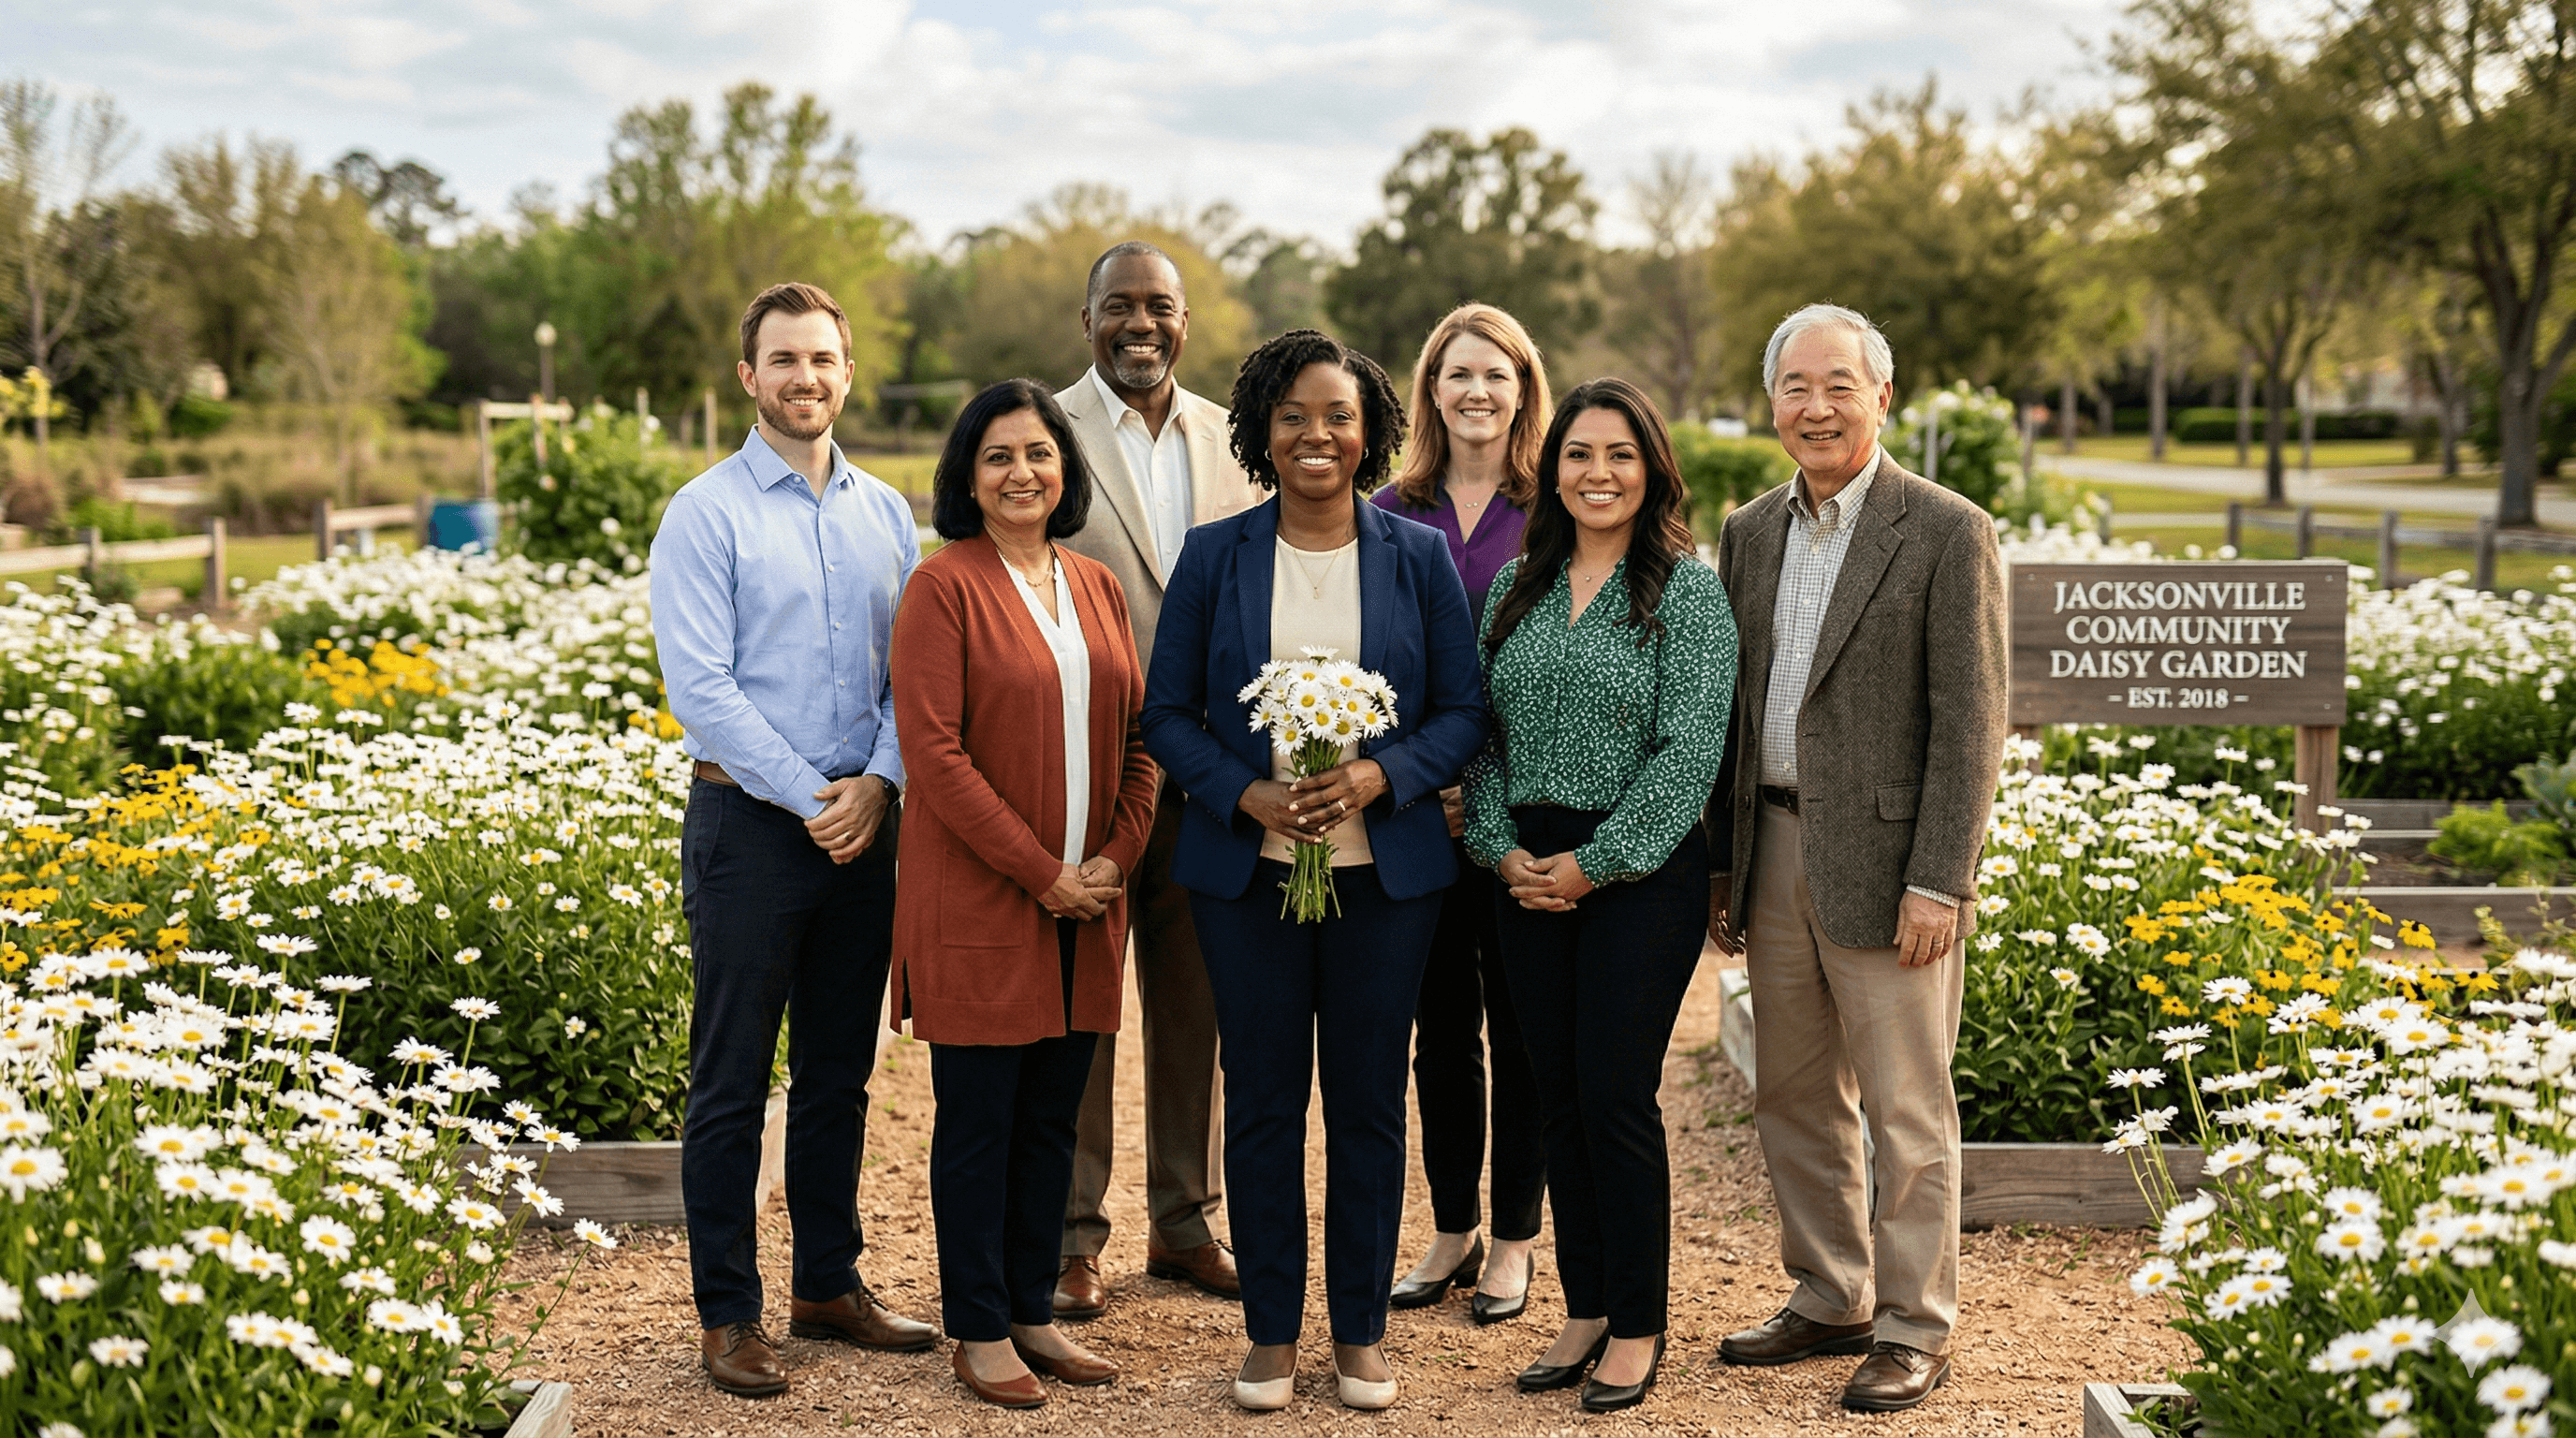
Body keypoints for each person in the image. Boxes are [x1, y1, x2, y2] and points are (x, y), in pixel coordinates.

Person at [1141, 329, 1487, 1413]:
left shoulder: (1416, 557)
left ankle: (1361, 1333)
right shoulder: (1215, 555)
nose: (1315, 435)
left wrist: (1382, 778)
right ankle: (1271, 1334)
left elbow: (1463, 713)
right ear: (1260, 431)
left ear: (1371, 431)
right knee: (1261, 1101)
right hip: (1246, 879)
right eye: (1292, 416)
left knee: (1370, 1102)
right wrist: (1244, 796)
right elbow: (1167, 715)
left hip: (1384, 882)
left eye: (1336, 416)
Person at [1705, 303, 2006, 1415]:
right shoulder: (1747, 532)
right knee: (1790, 1092)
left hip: (1891, 866)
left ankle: (1915, 1325)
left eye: (1839, 383)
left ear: (1883, 396)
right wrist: (1722, 868)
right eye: (1794, 385)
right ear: (1771, 401)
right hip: (1771, 844)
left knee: (1905, 1108)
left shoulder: (1943, 529)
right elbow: (1733, 713)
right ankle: (1828, 1293)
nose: (1815, 405)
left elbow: (1971, 723)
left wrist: (1942, 877)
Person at [650, 281, 937, 1401]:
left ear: (847, 372)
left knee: (837, 1072)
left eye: (821, 359)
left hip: (864, 827)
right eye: (783, 361)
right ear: (748, 378)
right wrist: (815, 795)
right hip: (751, 829)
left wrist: (876, 783)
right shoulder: (705, 512)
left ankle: (827, 1282)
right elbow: (701, 690)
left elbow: (908, 674)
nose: (804, 378)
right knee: (728, 1079)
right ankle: (729, 1313)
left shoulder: (882, 514)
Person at [1463, 378, 1736, 1415]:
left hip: (1635, 873)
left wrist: (1596, 861)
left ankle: (1636, 1322)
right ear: (1554, 469)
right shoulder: (1515, 589)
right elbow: (1478, 738)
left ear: (1651, 466)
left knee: (1615, 1095)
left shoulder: (1686, 591)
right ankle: (1580, 1309)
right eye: (1580, 454)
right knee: (1553, 1097)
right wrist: (1500, 850)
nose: (1598, 473)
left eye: (1619, 454)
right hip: (1522, 871)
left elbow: (1687, 755)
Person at [890, 379, 1162, 1409]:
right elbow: (934, 753)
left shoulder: (1093, 586)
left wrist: (1110, 863)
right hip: (982, 899)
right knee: (981, 1121)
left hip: (1087, 900)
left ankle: (1031, 1309)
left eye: (1038, 454)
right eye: (998, 456)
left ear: (1065, 469)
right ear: (967, 474)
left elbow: (1140, 742)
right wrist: (1039, 869)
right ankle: (977, 1325)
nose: (1021, 473)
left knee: (1055, 1115)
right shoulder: (942, 587)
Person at [1052, 242, 1261, 1318]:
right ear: (1084, 317)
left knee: (1199, 1009)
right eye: (1120, 305)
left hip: (1211, 779)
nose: (1142, 322)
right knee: (1082, 1012)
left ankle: (1186, 1224)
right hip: (1085, 775)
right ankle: (1071, 1236)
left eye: (1161, 306)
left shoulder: (1234, 442)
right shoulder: (1045, 435)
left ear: (1187, 321)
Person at [1369, 302, 1551, 1325]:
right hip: (1418, 813)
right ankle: (1450, 1228)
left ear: (1524, 388)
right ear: (1430, 391)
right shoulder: (1392, 510)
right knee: (1439, 1033)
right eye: (1455, 375)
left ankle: (1516, 1240)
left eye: (1496, 374)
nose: (1476, 391)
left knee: (1520, 1030)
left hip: (1525, 814)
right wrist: (1418, 775)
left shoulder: (1559, 506)